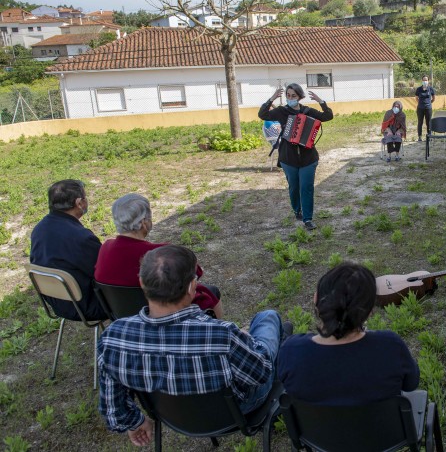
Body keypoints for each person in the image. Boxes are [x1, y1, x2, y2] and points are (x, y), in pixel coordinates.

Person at [98, 245, 284, 446]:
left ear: (142, 283)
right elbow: (260, 374)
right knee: (268, 319)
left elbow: (114, 408)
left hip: (170, 418)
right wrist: (250, 344)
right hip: (236, 413)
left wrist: (135, 423)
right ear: (191, 287)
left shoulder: (113, 338)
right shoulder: (221, 335)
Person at [278, 263, 419, 406]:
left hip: (317, 428)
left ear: (316, 300)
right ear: (370, 311)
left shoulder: (292, 350)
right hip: (380, 427)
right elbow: (411, 384)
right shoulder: (390, 346)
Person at [94, 193, 224, 319]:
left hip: (122, 315)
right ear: (144, 222)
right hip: (165, 313)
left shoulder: (105, 248)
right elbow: (195, 272)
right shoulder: (161, 254)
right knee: (210, 291)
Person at [259, 83, 333, 231]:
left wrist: (321, 101)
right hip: (288, 158)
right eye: (288, 95)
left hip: (308, 158)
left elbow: (328, 116)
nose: (290, 98)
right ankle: (297, 210)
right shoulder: (281, 111)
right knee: (294, 187)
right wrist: (272, 98)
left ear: (299, 97)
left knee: (306, 187)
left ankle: (308, 218)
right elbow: (263, 114)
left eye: (294, 96)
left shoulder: (307, 111)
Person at [30, 179, 106, 321]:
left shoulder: (39, 229)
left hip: (57, 303)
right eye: (85, 198)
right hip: (87, 305)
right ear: (78, 203)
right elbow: (104, 273)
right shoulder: (81, 237)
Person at [415, 75, 435, 142]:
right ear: (422, 81)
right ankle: (419, 137)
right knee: (420, 122)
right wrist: (421, 103)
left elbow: (433, 98)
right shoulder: (418, 89)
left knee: (428, 122)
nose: (425, 81)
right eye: (423, 80)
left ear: (428, 81)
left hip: (428, 108)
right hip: (420, 108)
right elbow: (416, 98)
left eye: (426, 80)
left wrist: (428, 103)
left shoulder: (431, 89)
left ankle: (429, 136)